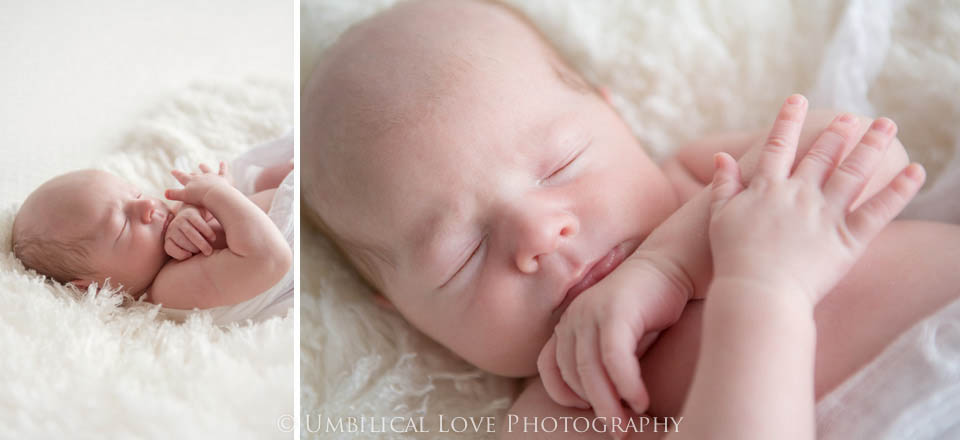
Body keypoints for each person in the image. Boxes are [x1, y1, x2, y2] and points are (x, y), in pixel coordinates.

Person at [300, 0, 960, 436]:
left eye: (561, 165)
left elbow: (873, 156)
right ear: (404, 313)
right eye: (462, 253)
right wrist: (763, 292)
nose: (539, 233)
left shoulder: (705, 178)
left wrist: (670, 263)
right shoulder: (567, 411)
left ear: (614, 115)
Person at [12, 139, 294, 324]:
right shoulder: (169, 289)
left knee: (254, 172)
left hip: (282, 203)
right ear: (96, 288)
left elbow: (221, 205)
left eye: (135, 194)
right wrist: (214, 194)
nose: (147, 205)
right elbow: (271, 258)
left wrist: (191, 210)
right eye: (124, 225)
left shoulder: (165, 243)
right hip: (298, 234)